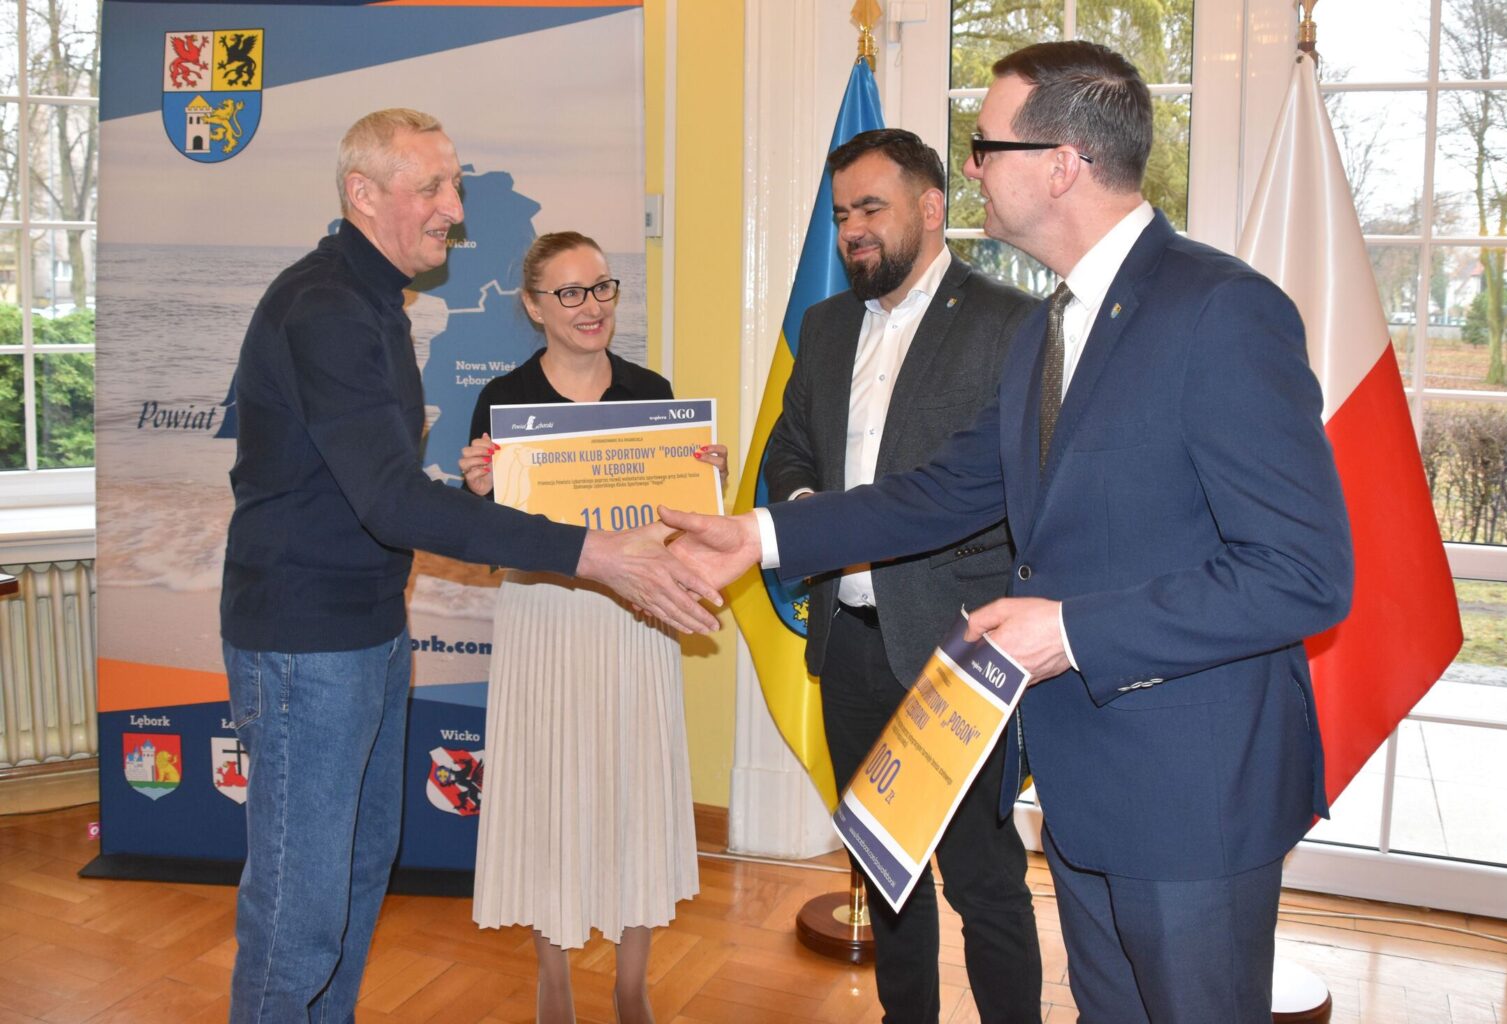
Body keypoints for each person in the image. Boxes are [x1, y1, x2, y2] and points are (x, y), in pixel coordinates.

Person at [661, 41, 1353, 1023]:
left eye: (986, 145)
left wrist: (1068, 630)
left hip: (1192, 795)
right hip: (1080, 781)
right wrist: (764, 537)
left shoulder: (1221, 311)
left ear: (1062, 163)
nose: (972, 167)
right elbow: (942, 492)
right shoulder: (1046, 327)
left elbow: (1302, 574)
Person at [219, 109, 719, 1024]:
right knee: (299, 914)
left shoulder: (376, 303)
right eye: (432, 188)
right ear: (362, 194)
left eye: (454, 184)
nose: (455, 207)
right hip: (304, 646)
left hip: (367, 632)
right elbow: (391, 499)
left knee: (356, 877)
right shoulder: (326, 307)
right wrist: (589, 551)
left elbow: (377, 486)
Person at [763, 128, 1041, 1024]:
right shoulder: (824, 326)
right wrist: (807, 507)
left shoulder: (1011, 323)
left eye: (871, 208)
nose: (852, 230)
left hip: (958, 650)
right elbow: (788, 449)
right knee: (884, 868)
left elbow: (1019, 487)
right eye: (842, 213)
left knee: (985, 884)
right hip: (848, 646)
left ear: (930, 207)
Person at [458, 231, 727, 1024]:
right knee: (549, 793)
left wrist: (700, 485)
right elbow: (491, 532)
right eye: (570, 292)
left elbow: (673, 529)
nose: (592, 307)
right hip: (544, 618)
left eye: (603, 287)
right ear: (534, 305)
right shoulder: (504, 402)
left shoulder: (652, 394)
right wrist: (478, 491)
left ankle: (632, 984)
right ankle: (554, 980)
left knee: (635, 790)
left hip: (635, 619)